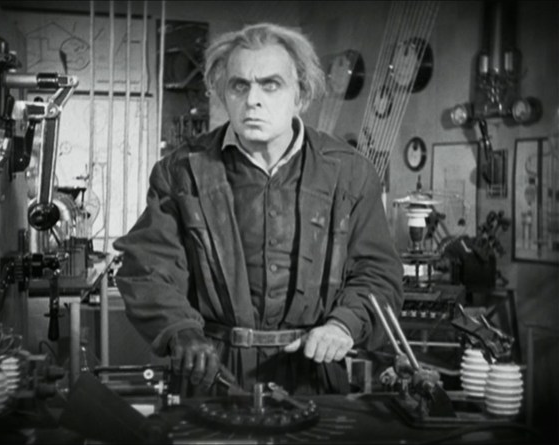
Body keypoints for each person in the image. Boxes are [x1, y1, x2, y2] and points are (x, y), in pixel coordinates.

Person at [113, 22, 403, 396]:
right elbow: (148, 268)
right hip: (213, 376)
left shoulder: (350, 173)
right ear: (223, 93)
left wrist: (344, 324)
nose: (253, 100)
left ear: (301, 95)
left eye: (270, 85)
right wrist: (179, 329)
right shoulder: (182, 172)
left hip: (312, 376)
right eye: (239, 86)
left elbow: (377, 274)